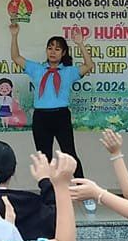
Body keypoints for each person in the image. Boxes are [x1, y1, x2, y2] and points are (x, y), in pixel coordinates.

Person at [10, 22, 80, 164]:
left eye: (57, 49)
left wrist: (80, 44)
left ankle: (80, 179)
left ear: (63, 53)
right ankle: (46, 180)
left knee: (69, 154)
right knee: (43, 157)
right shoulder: (37, 69)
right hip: (41, 117)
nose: (53, 52)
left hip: (61, 115)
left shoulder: (69, 71)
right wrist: (14, 35)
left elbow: (89, 65)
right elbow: (16, 57)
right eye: (50, 48)